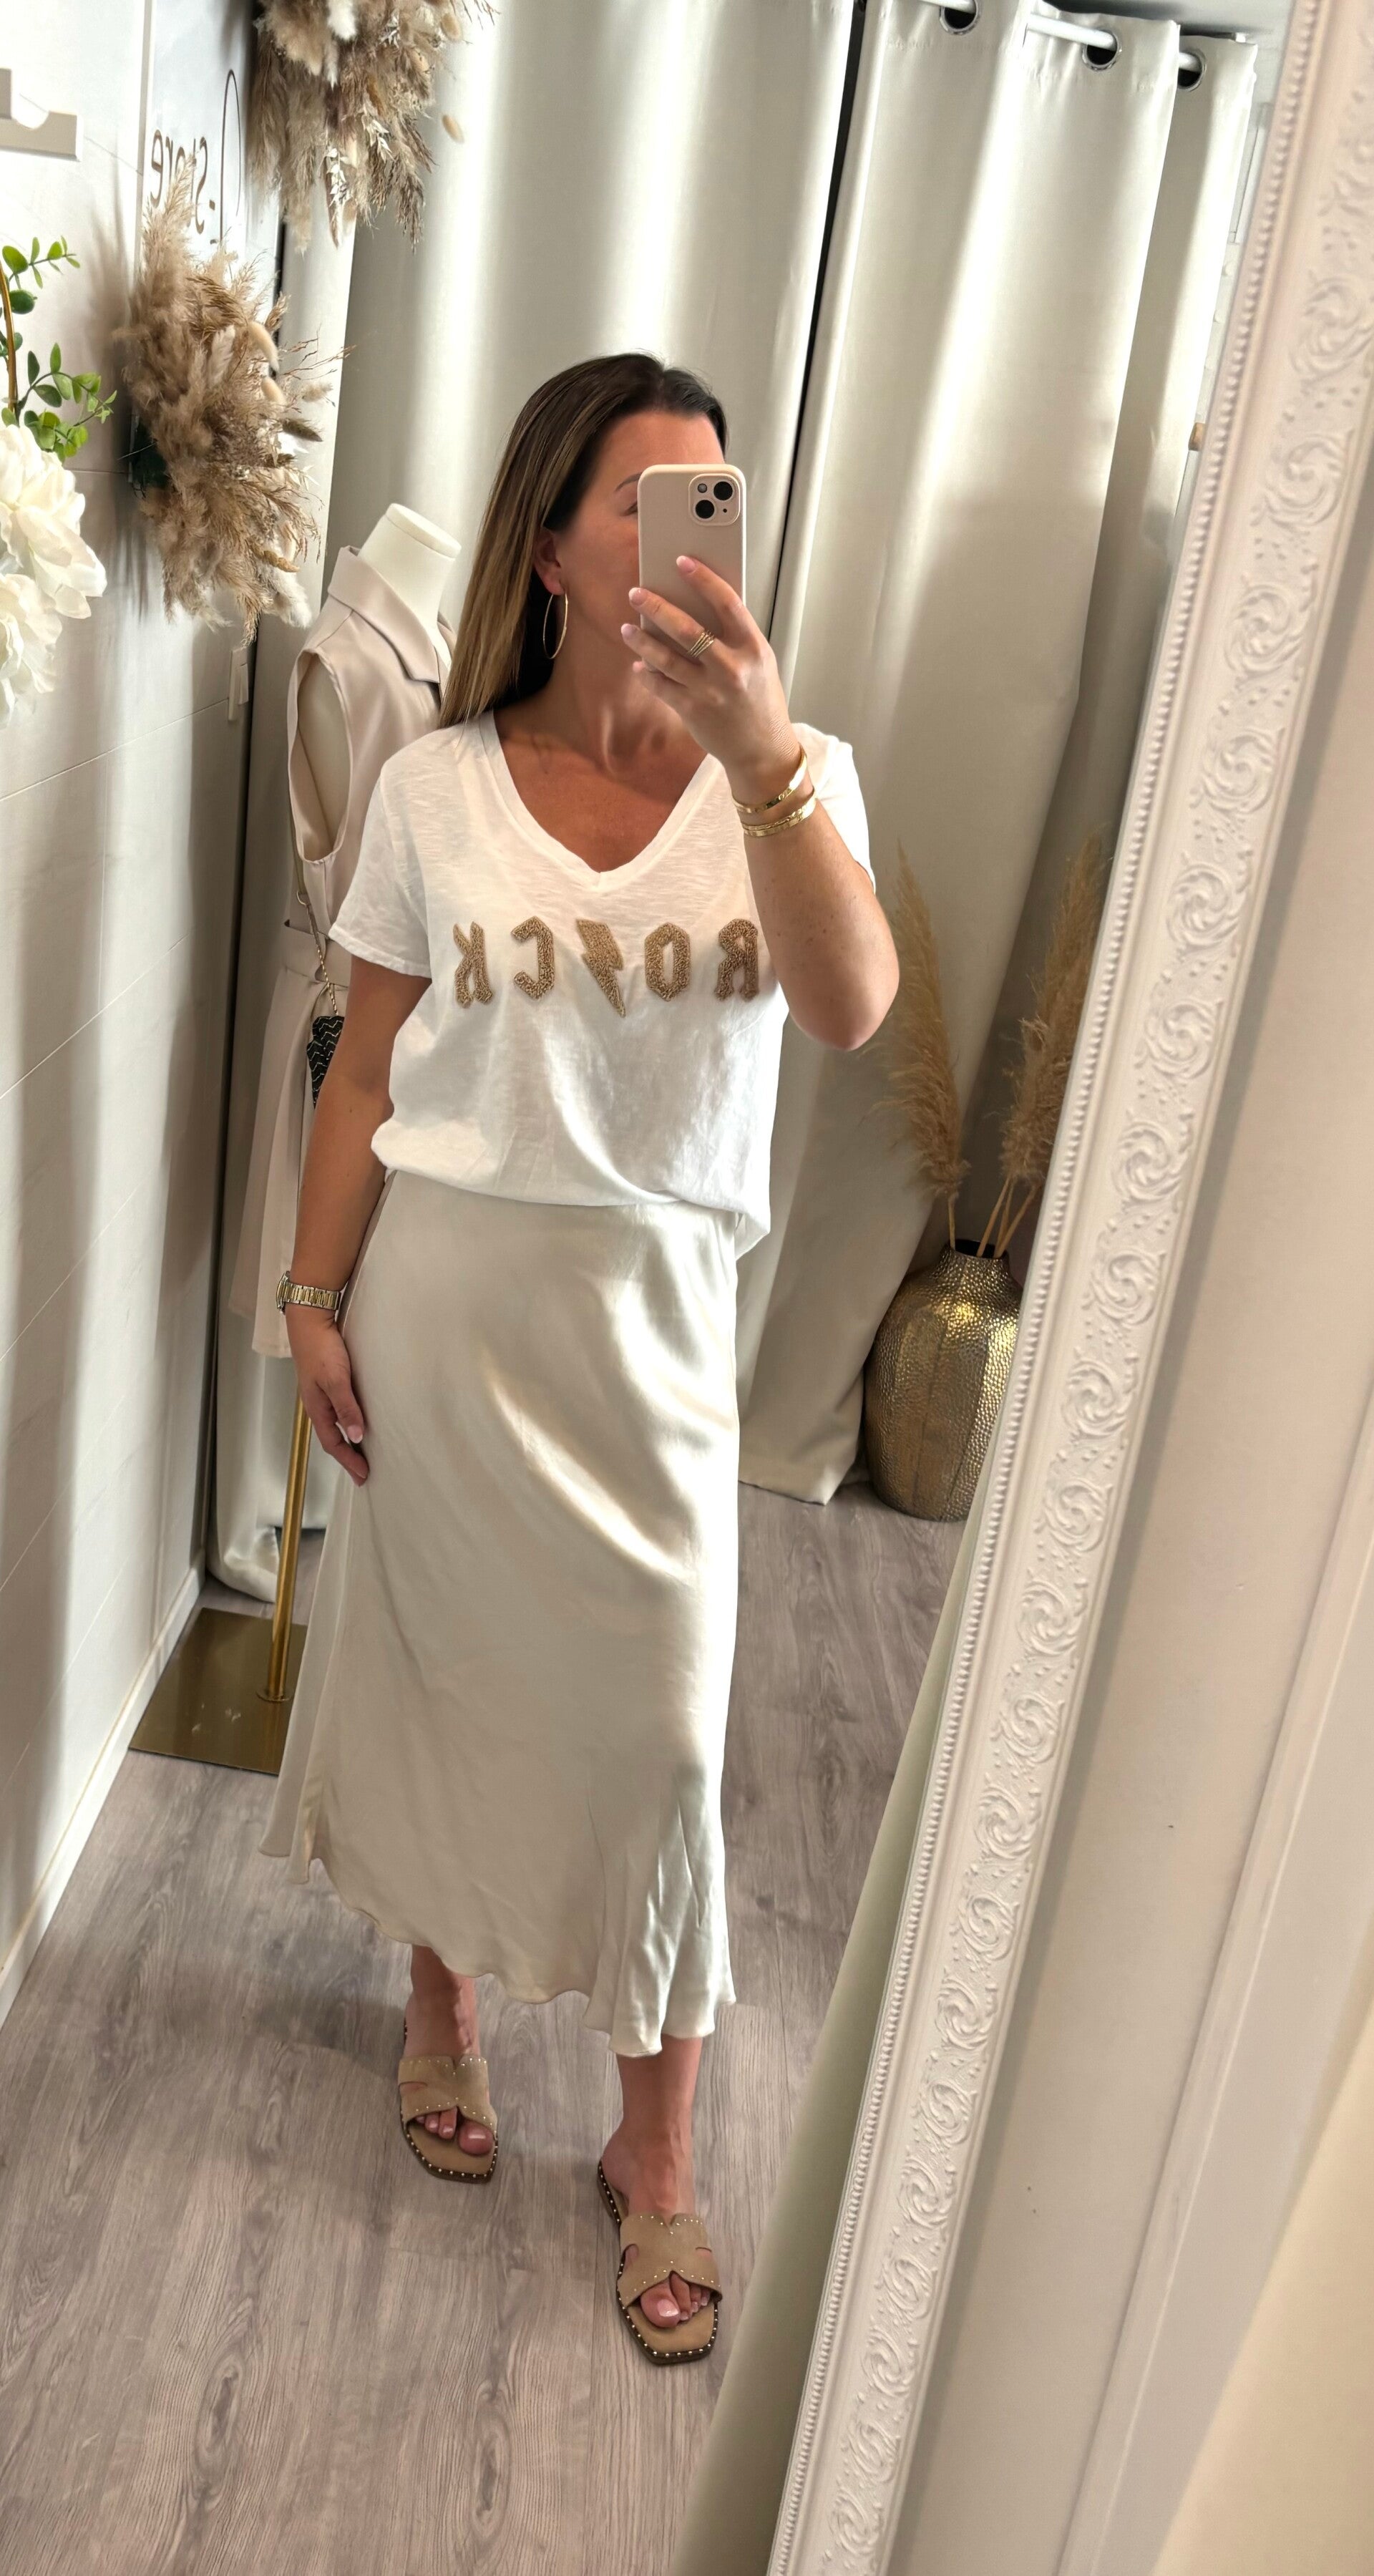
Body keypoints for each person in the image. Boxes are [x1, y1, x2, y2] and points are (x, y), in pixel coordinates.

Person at [259, 351, 898, 2366]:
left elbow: (852, 1004)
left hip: (658, 1341)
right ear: (548, 550)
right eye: (645, 502)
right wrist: (308, 1299)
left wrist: (762, 752)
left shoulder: (793, 774)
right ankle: (440, 2001)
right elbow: (367, 1070)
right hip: (447, 1317)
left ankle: (655, 2143)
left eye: (715, 501)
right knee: (448, 1678)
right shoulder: (437, 789)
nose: (690, 537)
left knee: (664, 1744)